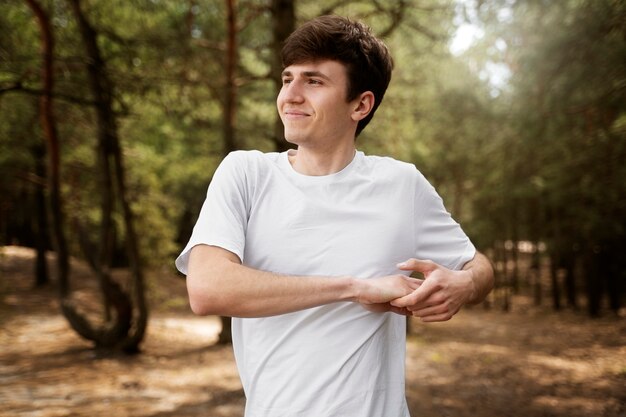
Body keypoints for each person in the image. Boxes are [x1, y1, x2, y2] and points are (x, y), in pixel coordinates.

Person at [176, 15, 494, 417]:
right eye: (287, 78)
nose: (290, 95)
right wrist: (353, 287)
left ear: (361, 104)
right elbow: (207, 289)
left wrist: (465, 283)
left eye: (313, 81)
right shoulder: (246, 173)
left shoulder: (401, 183)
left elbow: (478, 265)